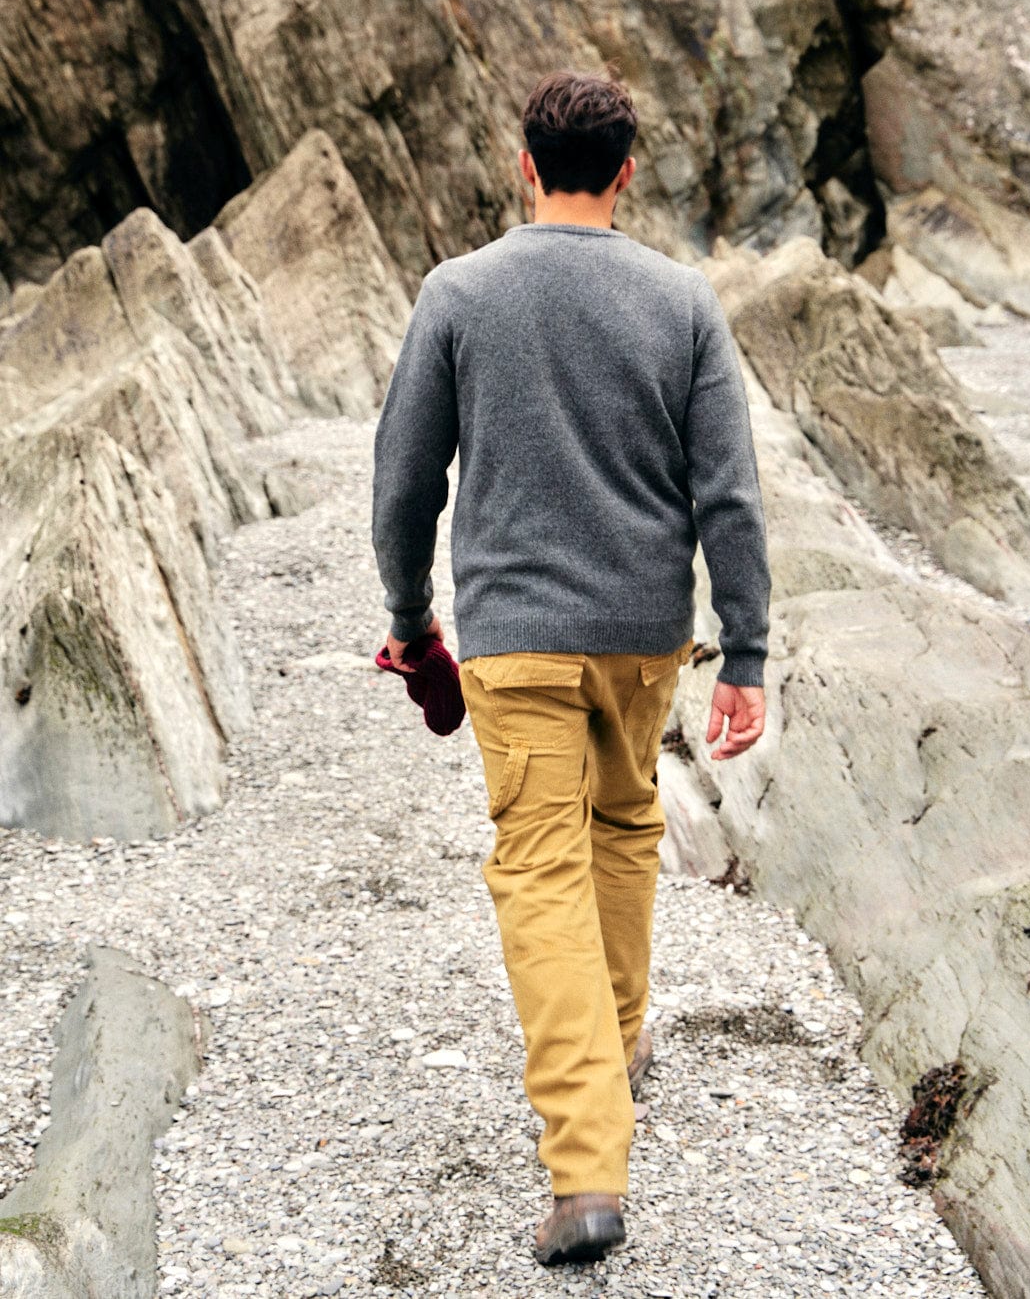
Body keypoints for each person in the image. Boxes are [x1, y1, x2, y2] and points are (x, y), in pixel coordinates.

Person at [371, 64, 771, 1266]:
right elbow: (730, 496)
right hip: (646, 635)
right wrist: (742, 650)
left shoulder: (459, 292)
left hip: (513, 638)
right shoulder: (682, 299)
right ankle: (623, 1034)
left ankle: (587, 1171)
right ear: (629, 173)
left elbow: (403, 485)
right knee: (625, 823)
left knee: (540, 869)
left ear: (527, 167)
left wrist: (410, 617)